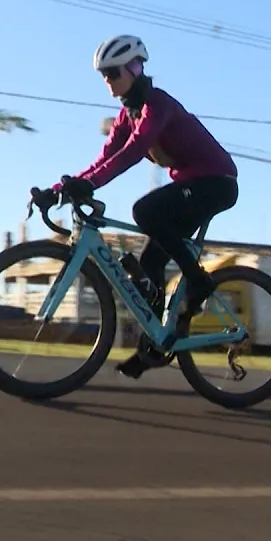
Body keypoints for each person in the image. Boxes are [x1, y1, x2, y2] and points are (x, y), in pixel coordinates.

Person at [47, 34, 239, 379]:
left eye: (113, 72)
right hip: (192, 185)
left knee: (145, 211)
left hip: (216, 183)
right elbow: (104, 158)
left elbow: (134, 152)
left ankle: (198, 281)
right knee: (149, 264)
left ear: (134, 68)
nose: (107, 80)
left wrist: (90, 185)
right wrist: (59, 188)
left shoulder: (157, 104)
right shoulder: (127, 114)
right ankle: (152, 350)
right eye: (103, 75)